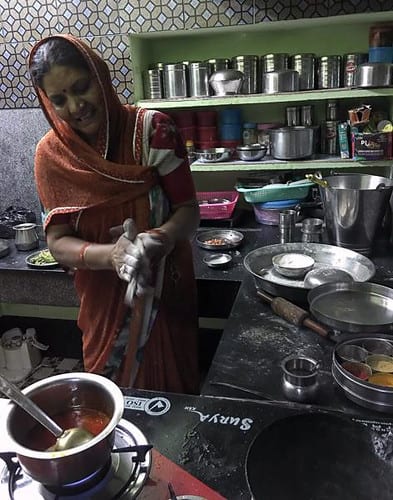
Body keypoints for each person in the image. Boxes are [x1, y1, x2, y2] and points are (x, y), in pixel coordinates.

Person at [28, 35, 200, 393]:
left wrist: (157, 239)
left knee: (173, 403)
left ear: (100, 75)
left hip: (164, 297)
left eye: (81, 88)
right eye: (59, 100)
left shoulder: (153, 131)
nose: (76, 107)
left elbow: (188, 211)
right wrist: (113, 256)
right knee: (111, 406)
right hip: (102, 307)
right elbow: (57, 242)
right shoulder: (51, 157)